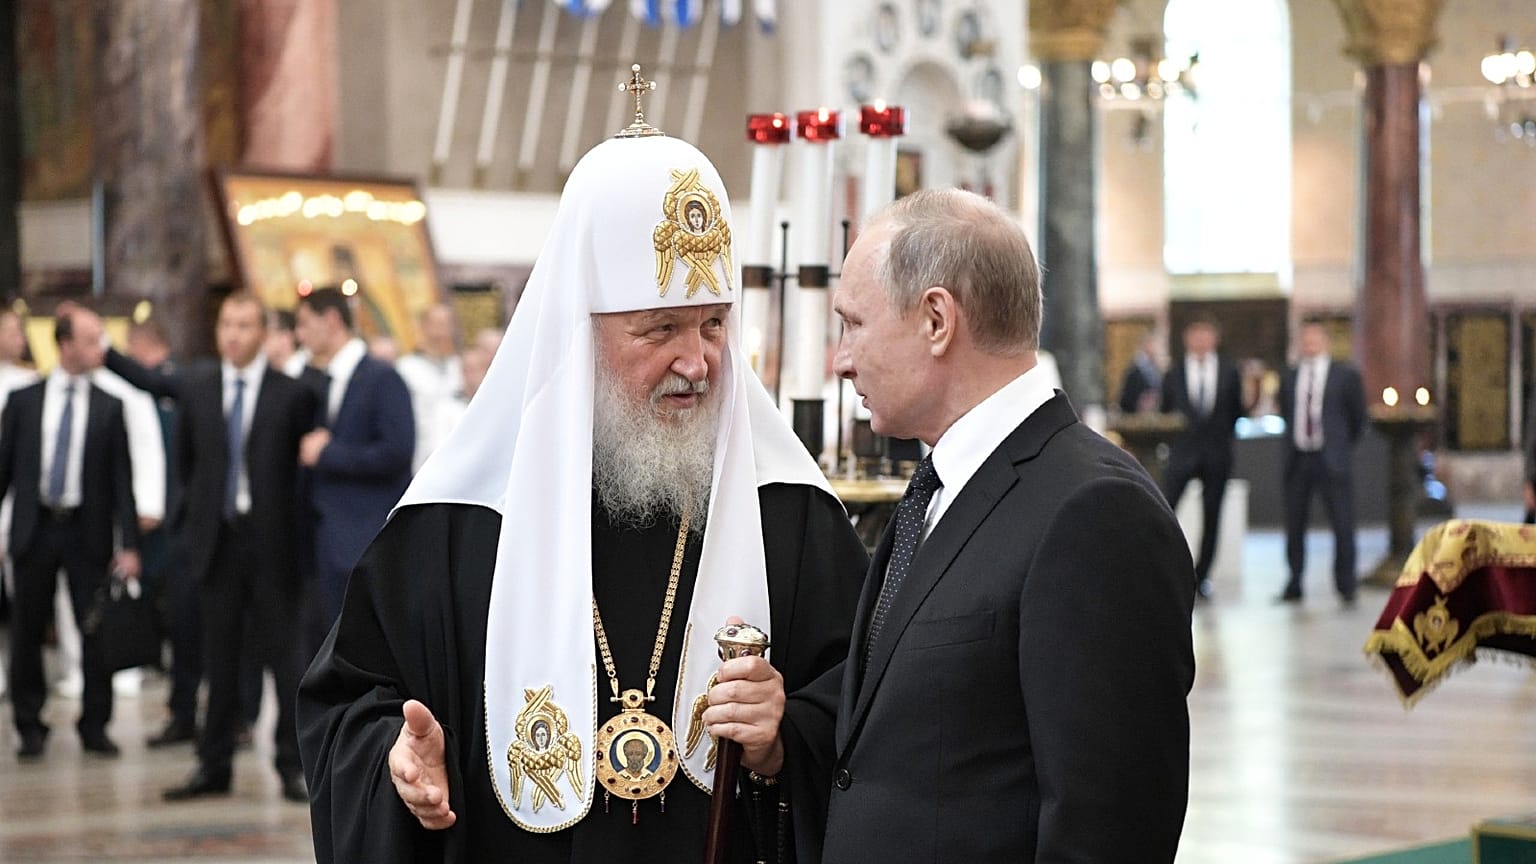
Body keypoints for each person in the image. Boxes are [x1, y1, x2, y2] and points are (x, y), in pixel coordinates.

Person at [297, 130, 866, 864]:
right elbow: (347, 705)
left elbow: (871, 705)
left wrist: (788, 736)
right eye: (659, 328)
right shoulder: (457, 525)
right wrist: (395, 766)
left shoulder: (789, 514)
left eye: (714, 324)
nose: (696, 361)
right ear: (578, 331)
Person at [821, 189, 1194, 863]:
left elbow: (1110, 825)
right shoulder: (939, 484)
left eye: (853, 325)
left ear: (937, 319)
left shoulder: (1095, 513)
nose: (840, 360)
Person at [107, 294, 318, 801]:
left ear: (264, 332)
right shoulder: (200, 387)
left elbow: (299, 478)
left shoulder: (292, 394)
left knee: (285, 661)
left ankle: (290, 764)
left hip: (272, 545)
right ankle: (213, 764)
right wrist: (192, 526)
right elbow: (187, 465)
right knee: (217, 659)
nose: (233, 335)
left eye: (245, 326)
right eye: (227, 324)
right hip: (217, 542)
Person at [0, 306, 141, 759]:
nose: (99, 346)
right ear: (65, 345)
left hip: (87, 530)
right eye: (90, 338)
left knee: (94, 629)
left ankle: (95, 724)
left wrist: (131, 545)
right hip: (35, 527)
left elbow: (123, 482)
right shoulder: (24, 401)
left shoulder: (109, 405)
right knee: (27, 628)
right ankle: (29, 723)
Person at [294, 286, 414, 636]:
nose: (299, 335)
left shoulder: (381, 378)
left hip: (360, 536)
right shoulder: (317, 379)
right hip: (322, 539)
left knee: (356, 640)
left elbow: (396, 452)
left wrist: (328, 454)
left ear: (331, 320)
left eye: (304, 324)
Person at [1276, 319, 1366, 605]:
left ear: (1325, 342)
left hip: (1332, 460)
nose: (1309, 344)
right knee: (1294, 524)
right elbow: (1286, 413)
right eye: (1305, 339)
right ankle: (1294, 581)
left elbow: (1357, 419)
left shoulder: (1346, 375)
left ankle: (1346, 584)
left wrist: (1340, 446)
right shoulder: (1289, 376)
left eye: (1315, 339)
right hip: (1298, 459)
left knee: (1342, 523)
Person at [1161, 316, 1249, 599]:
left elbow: (1237, 410)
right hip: (1181, 453)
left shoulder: (1228, 370)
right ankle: (1166, 570)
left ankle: (1203, 576)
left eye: (1206, 335)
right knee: (1164, 509)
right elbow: (1165, 411)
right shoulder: (1173, 372)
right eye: (1195, 334)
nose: (1200, 341)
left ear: (1215, 338)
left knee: (1213, 515)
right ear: (1187, 338)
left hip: (1217, 454)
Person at [396, 303, 463, 471]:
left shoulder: (458, 367)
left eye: (446, 324)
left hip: (455, 457)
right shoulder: (406, 368)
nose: (441, 330)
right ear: (423, 326)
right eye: (436, 323)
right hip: (419, 456)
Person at [1118, 331, 1164, 415]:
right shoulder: (1134, 371)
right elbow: (1126, 400)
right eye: (1153, 344)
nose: (1156, 348)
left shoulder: (1156, 368)